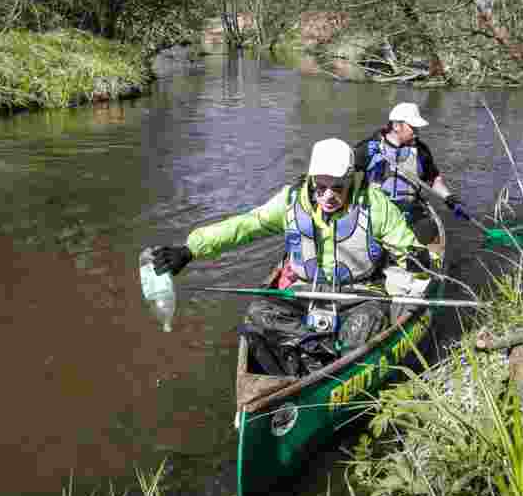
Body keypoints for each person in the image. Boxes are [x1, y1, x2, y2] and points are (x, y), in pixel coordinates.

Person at [151, 137, 433, 375]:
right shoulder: (290, 202)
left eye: (337, 187)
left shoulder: (374, 204)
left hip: (358, 294)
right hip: (302, 293)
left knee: (364, 325)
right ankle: (312, 355)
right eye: (320, 187)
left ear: (350, 179)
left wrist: (417, 262)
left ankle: (320, 363)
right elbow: (246, 225)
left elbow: (405, 245)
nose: (328, 196)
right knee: (258, 314)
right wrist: (190, 249)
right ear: (311, 179)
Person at [353, 102, 467, 247]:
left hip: (408, 212)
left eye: (417, 128)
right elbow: (344, 175)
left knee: (428, 240)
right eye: (412, 127)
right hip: (374, 213)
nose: (417, 132)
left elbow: (434, 180)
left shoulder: (421, 151)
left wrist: (449, 197)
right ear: (396, 126)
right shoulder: (369, 147)